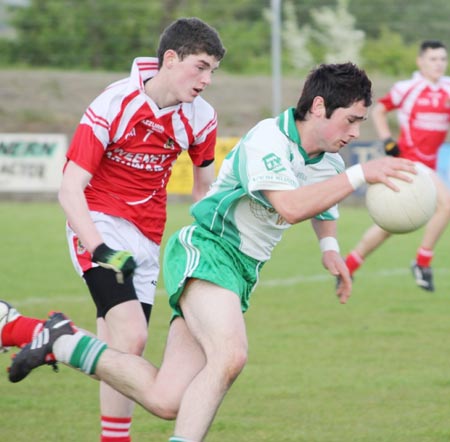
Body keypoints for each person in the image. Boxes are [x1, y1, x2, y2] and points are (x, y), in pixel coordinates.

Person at [5, 62, 417, 442]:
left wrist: (329, 248)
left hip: (239, 273)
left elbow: (320, 205)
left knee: (166, 399)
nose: (354, 133)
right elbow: (290, 206)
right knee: (230, 355)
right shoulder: (268, 139)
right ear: (320, 106)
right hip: (208, 251)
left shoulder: (327, 162)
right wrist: (362, 174)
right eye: (351, 121)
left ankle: (61, 341)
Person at [1, 17, 225, 442]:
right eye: (201, 66)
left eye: (213, 70)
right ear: (171, 59)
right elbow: (70, 188)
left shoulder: (201, 118)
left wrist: (206, 240)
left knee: (124, 353)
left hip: (147, 237)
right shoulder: (114, 102)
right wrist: (98, 247)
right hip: (98, 222)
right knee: (132, 334)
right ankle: (34, 331)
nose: (207, 80)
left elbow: (204, 188)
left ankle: (111, 435)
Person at [343, 40, 450, 292]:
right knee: (446, 205)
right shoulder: (407, 88)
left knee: (389, 225)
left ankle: (349, 264)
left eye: (443, 59)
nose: (439, 64)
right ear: (420, 62)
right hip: (409, 161)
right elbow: (380, 110)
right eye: (433, 59)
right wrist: (387, 140)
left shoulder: (447, 88)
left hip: (429, 164)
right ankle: (422, 262)